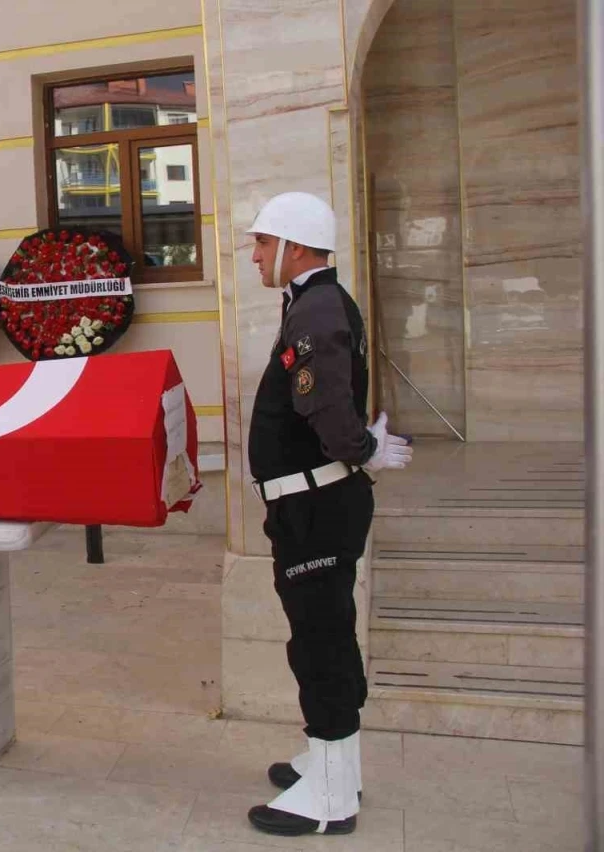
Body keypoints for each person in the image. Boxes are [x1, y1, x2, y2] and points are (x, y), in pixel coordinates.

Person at [244, 192, 413, 836]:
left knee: (321, 643)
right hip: (309, 504)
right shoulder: (310, 302)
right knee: (320, 634)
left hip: (315, 507)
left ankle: (332, 799)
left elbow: (329, 408)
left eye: (263, 243)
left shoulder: (316, 309)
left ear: (295, 246)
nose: (256, 256)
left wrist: (362, 448)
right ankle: (330, 761)